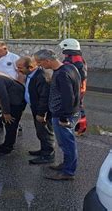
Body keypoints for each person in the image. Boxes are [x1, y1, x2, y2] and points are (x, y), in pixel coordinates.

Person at [33, 49, 81, 181]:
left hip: (63, 115)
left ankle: (68, 172)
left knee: (67, 144)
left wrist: (64, 117)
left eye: (39, 62)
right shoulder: (69, 67)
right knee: (66, 143)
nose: (39, 65)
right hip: (69, 112)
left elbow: (68, 97)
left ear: (47, 60)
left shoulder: (61, 74)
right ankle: (66, 165)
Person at [16, 56, 55, 164]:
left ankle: (48, 155)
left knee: (45, 132)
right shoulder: (31, 74)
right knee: (40, 131)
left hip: (42, 110)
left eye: (20, 68)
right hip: (36, 108)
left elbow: (45, 97)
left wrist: (41, 113)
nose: (18, 70)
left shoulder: (42, 77)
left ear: (31, 67)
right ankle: (44, 150)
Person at [59, 38, 88, 136]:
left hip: (76, 87)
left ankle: (79, 128)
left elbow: (79, 74)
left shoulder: (73, 59)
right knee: (78, 105)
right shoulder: (77, 57)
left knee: (77, 106)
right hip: (80, 86)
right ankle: (80, 127)